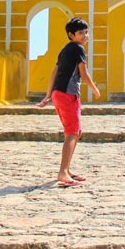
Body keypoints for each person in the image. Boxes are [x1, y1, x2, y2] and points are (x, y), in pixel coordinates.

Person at [37, 16, 101, 187]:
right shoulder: (78, 49)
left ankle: (67, 169)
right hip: (68, 95)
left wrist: (48, 95)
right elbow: (84, 73)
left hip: (59, 94)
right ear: (71, 35)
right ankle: (63, 172)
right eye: (81, 33)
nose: (85, 36)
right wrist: (95, 89)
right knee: (72, 133)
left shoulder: (64, 50)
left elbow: (54, 72)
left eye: (86, 33)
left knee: (76, 131)